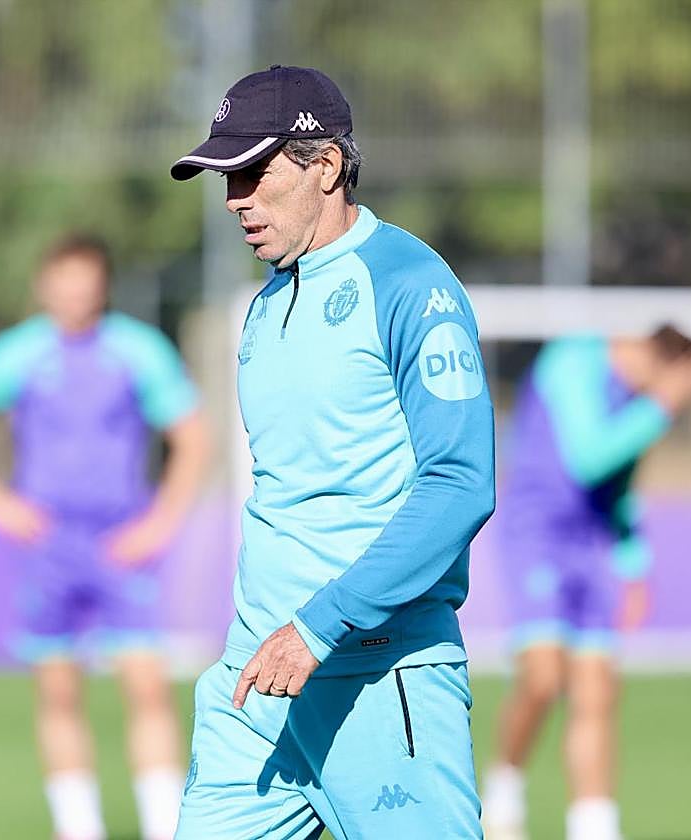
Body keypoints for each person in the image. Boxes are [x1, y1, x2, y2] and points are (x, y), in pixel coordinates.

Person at [168, 65, 495, 839]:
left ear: (325, 165)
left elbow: (460, 484)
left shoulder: (413, 284)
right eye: (225, 178)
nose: (234, 199)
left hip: (378, 680)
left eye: (252, 172)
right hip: (253, 695)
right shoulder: (265, 303)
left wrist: (320, 627)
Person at [0, 234, 210, 840]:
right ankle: (77, 827)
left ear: (102, 286)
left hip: (118, 540)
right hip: (49, 546)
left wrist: (160, 522)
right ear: (44, 284)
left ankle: (165, 826)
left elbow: (193, 437)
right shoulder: (20, 354)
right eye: (63, 279)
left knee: (147, 686)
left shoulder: (136, 350)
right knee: (57, 691)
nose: (74, 292)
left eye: (86, 280)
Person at [481, 327, 691, 840]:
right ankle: (502, 791)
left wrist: (633, 563)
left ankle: (594, 826)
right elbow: (589, 460)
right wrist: (663, 405)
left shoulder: (639, 401)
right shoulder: (575, 362)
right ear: (665, 361)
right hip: (536, 536)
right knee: (543, 678)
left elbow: (620, 482)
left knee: (597, 690)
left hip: (591, 547)